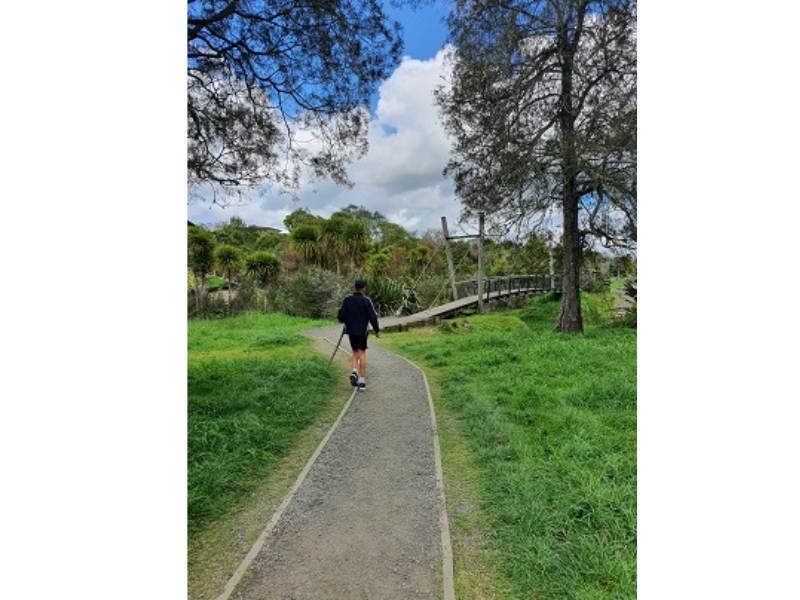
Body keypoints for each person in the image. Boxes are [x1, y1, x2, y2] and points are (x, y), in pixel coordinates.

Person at [337, 279, 380, 392]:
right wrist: (376, 330)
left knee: (355, 351)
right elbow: (373, 317)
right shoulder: (366, 300)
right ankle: (361, 381)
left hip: (351, 331)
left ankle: (354, 371)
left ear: (355, 287)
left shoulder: (347, 299)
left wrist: (348, 320)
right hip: (362, 332)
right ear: (364, 288)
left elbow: (341, 316)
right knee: (361, 352)